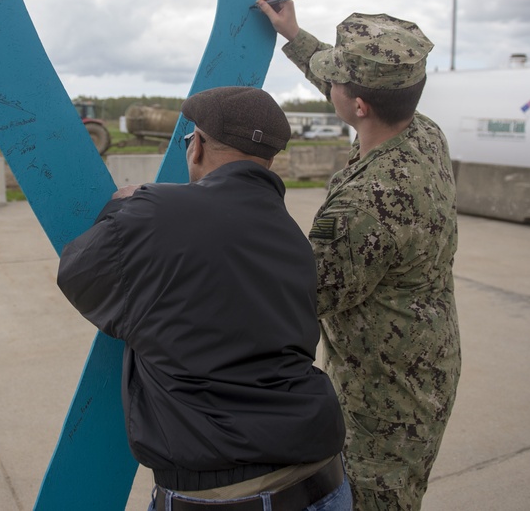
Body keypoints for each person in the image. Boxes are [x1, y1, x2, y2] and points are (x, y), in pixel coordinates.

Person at [57, 86, 352, 511]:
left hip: (224, 494)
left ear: (196, 147)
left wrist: (123, 208)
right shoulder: (292, 236)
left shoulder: (154, 213)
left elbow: (79, 272)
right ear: (268, 160)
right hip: (324, 479)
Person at [256, 0, 462, 511]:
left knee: (375, 500)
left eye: (337, 85)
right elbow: (345, 79)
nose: (330, 86)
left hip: (386, 394)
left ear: (358, 106)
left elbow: (298, 298)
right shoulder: (422, 133)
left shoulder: (366, 205)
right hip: (425, 354)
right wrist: (294, 35)